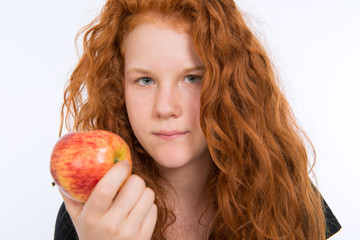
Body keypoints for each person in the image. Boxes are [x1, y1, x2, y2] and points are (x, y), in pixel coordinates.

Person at [54, 0, 341, 239]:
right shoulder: (95, 216)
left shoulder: (282, 188)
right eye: (145, 80)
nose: (165, 108)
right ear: (118, 89)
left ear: (230, 85)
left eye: (192, 78)